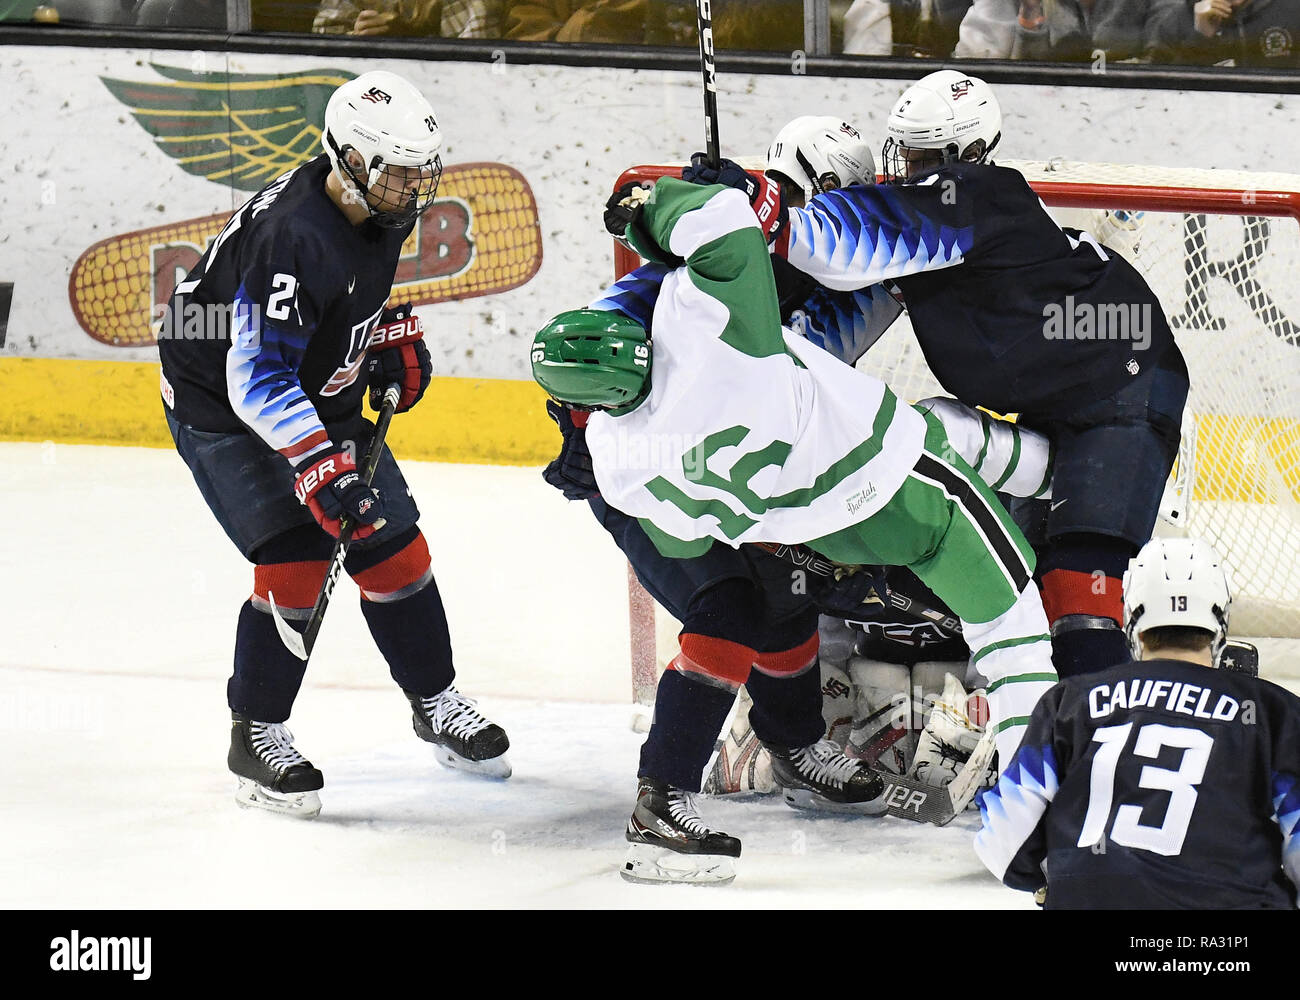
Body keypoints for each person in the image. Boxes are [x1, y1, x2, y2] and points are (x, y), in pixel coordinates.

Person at [533, 173, 1059, 789]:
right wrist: (651, 210)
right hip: (893, 484)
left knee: (773, 605)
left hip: (804, 525)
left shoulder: (618, 461)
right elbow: (721, 220)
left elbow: (678, 534)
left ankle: (789, 746)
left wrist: (734, 515)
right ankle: (1044, 797)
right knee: (1010, 620)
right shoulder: (709, 329)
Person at [686, 70, 1189, 683]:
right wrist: (728, 253)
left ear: (968, 154)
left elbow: (848, 240)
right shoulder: (929, 240)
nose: (906, 169)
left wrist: (762, 205)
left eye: (922, 156)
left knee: (1077, 598)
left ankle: (1099, 744)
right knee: (937, 443)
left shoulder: (979, 197)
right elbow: (812, 340)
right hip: (1057, 406)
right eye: (903, 151)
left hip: (1124, 395)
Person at [158, 70, 510, 819]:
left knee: (396, 550)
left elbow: (342, 300)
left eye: (424, 170)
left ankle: (434, 699)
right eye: (401, 171)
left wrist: (384, 334)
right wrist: (319, 466)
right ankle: (257, 734)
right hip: (220, 401)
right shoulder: (295, 235)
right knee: (298, 559)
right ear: (349, 160)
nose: (417, 188)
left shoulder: (374, 205)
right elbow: (253, 371)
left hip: (309, 388)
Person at [974, 537, 1300, 909]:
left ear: (1130, 620)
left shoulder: (1070, 702)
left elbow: (1003, 838)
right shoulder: (1274, 712)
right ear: (1220, 623)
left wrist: (1054, 882)